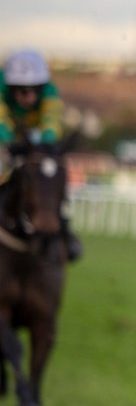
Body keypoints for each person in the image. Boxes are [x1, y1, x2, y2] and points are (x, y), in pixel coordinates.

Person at [0, 48, 82, 261]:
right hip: (7, 139)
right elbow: (1, 122)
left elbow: (52, 124)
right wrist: (10, 142)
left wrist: (42, 147)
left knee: (49, 176)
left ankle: (64, 230)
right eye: (21, 91)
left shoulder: (50, 94)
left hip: (35, 143)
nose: (28, 97)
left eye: (33, 90)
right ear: (11, 88)